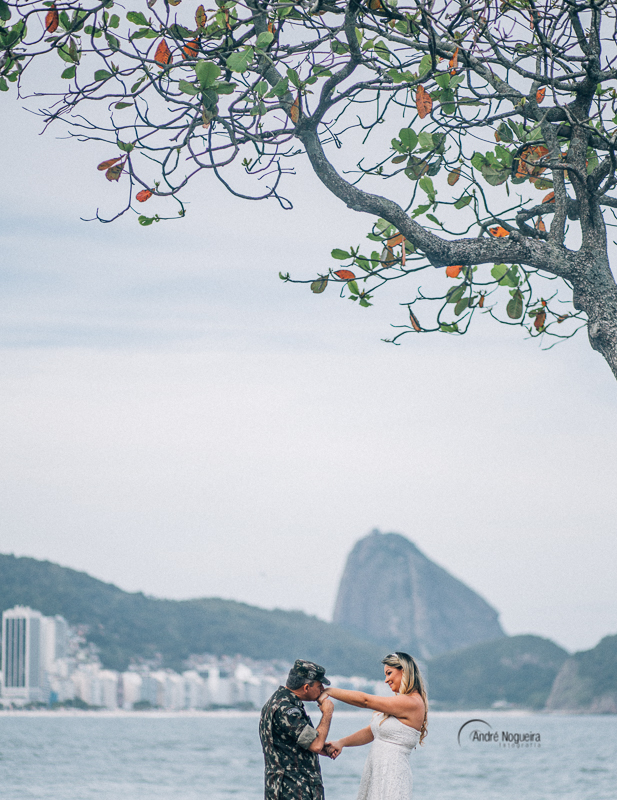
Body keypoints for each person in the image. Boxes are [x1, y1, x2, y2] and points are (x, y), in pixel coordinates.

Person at [324, 652, 428, 800]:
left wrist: (329, 691)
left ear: (403, 671)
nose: (386, 680)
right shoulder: (399, 703)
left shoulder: (412, 702)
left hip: (392, 774)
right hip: (377, 772)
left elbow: (365, 701)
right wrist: (341, 743)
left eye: (389, 673)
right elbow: (371, 732)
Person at [259, 659, 335, 800]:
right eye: (319, 685)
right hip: (294, 790)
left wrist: (321, 747)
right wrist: (327, 713)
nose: (322, 689)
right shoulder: (287, 709)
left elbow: (288, 745)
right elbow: (316, 744)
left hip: (282, 788)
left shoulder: (277, 702)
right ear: (306, 687)